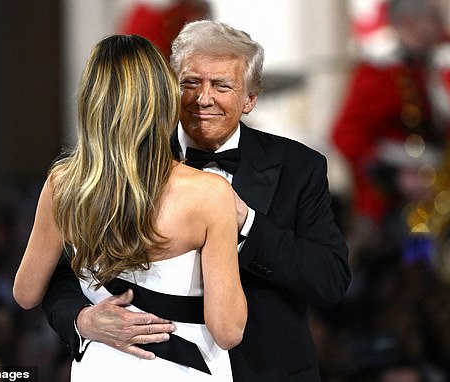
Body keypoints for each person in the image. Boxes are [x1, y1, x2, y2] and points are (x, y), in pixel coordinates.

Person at [42, 20, 351, 382]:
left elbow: (329, 279)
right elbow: (58, 272)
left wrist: (247, 222)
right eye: (191, 83)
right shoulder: (123, 163)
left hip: (270, 371)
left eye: (221, 85)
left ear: (250, 98)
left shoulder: (299, 167)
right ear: (169, 88)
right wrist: (82, 319)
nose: (203, 98)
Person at [13, 34, 247, 381]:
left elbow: (26, 292)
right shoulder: (210, 194)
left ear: (92, 103)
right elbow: (228, 330)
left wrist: (82, 318)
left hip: (102, 368)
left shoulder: (62, 185)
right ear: (163, 99)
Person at [331, 0, 450, 256]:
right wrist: (395, 177)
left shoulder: (440, 71)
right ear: (409, 24)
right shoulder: (379, 73)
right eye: (434, 19)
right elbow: (345, 136)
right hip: (394, 202)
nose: (441, 26)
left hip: (441, 190)